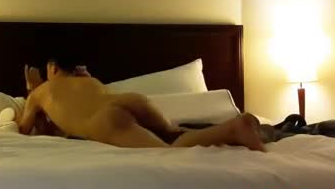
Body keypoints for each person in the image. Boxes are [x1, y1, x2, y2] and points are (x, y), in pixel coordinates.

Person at [16, 58, 266, 151]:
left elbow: (24, 130)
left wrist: (31, 89)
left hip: (106, 120)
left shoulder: (41, 92)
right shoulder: (89, 80)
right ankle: (241, 133)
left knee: (168, 152)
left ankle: (234, 128)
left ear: (53, 68)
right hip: (131, 100)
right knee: (173, 133)